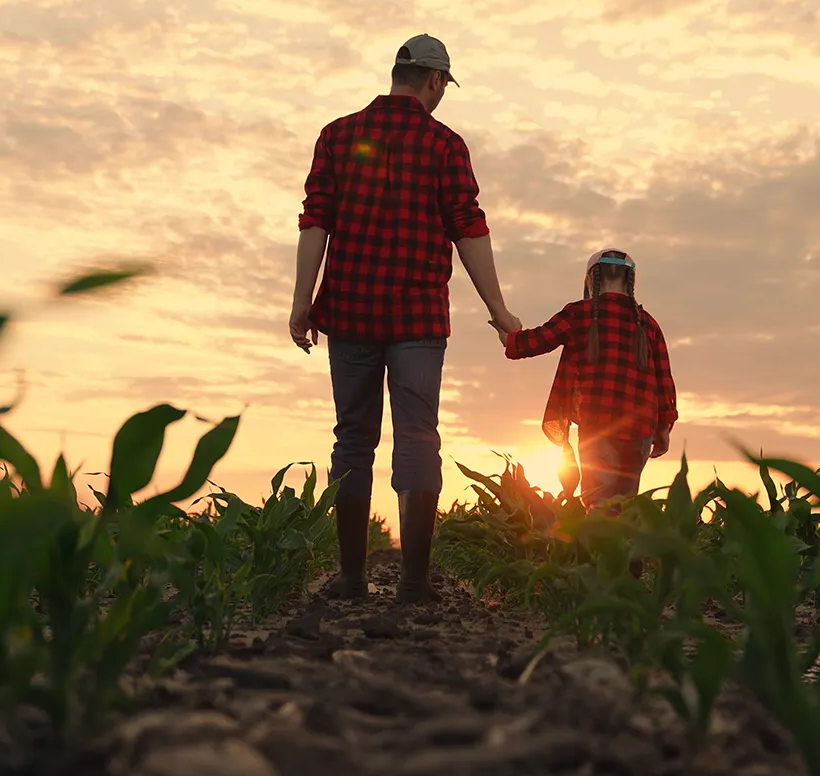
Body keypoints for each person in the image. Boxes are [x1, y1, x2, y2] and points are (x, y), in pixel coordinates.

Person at [289, 33, 520, 605]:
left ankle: (350, 579)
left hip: (348, 309)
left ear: (397, 73)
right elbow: (468, 227)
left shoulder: (337, 135)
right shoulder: (445, 144)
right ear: (435, 81)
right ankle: (414, 584)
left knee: (352, 439)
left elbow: (315, 220)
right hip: (417, 316)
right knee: (418, 436)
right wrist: (499, 310)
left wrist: (302, 301)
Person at [498, 249, 678, 511]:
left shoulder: (578, 314)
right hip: (640, 431)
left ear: (591, 279)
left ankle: (598, 552)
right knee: (626, 508)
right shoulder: (649, 324)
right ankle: (625, 553)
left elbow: (538, 340)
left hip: (598, 427)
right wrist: (663, 429)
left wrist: (510, 338)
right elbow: (665, 383)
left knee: (598, 505)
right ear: (631, 280)